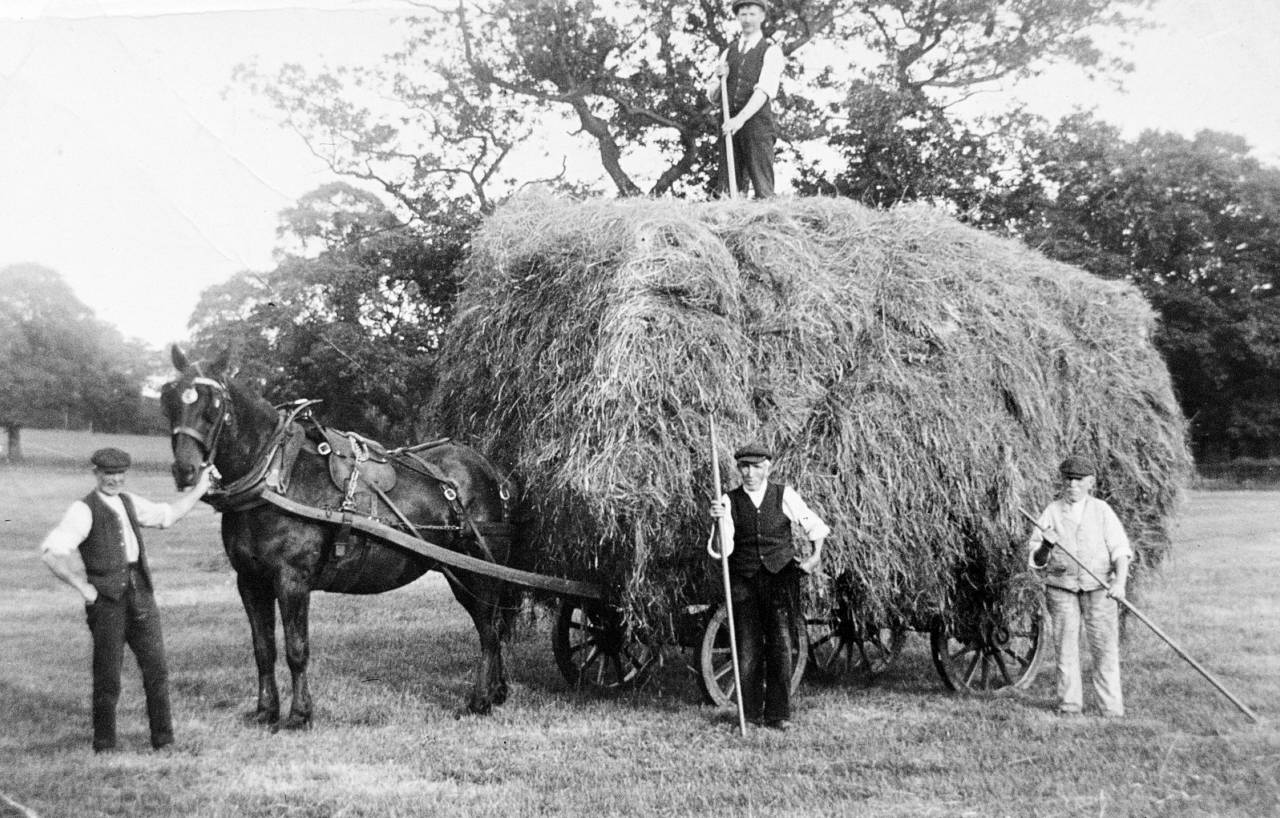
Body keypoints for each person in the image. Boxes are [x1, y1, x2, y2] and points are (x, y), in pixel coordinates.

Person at [39, 447, 211, 752]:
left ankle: (164, 740)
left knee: (156, 669)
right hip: (107, 601)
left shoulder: (130, 502)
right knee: (108, 676)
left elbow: (167, 516)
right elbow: (52, 553)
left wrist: (200, 489)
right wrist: (85, 589)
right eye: (108, 474)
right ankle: (104, 744)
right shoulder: (84, 509)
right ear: (96, 474)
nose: (114, 479)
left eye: (119, 474)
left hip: (141, 594)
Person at [708, 442, 828, 729]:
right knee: (747, 648)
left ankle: (778, 714)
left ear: (767, 467)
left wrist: (814, 558)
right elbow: (721, 550)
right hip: (745, 581)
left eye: (756, 467)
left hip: (780, 579)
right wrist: (716, 523)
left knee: (781, 646)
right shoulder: (728, 501)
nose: (749, 473)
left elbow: (815, 526)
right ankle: (748, 715)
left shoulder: (784, 495)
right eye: (744, 467)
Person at [1027, 455, 1132, 718]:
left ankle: (1110, 708)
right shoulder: (1051, 511)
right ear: (1062, 482)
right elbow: (1036, 561)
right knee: (1065, 649)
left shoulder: (1102, 511)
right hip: (1061, 589)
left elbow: (1120, 549)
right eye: (1068, 480)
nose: (1072, 485)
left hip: (1099, 589)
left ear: (1090, 483)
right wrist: (1046, 546)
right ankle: (1070, 705)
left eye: (1078, 480)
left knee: (1104, 648)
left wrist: (1119, 582)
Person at [703, 0, 785, 198]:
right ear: (738, 17)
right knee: (729, 189)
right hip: (727, 125)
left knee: (763, 187)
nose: (747, 19)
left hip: (756, 125)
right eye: (743, 15)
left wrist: (739, 120)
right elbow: (713, 96)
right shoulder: (727, 53)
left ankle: (769, 225)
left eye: (752, 14)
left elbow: (764, 91)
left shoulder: (771, 51)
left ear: (762, 17)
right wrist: (719, 77)